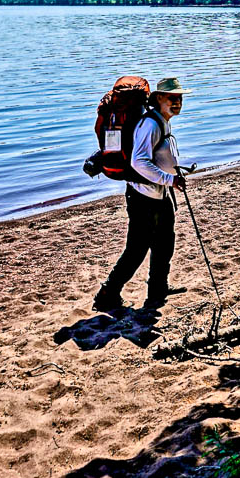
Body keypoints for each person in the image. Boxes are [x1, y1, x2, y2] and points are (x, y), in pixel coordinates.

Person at [92, 77, 190, 311]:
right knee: (137, 249)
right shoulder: (151, 125)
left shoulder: (162, 120)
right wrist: (170, 179)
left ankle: (158, 290)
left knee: (165, 243)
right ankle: (108, 293)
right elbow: (139, 162)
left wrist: (170, 178)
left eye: (180, 98)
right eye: (171, 98)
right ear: (158, 99)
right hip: (143, 197)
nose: (177, 103)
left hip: (160, 194)